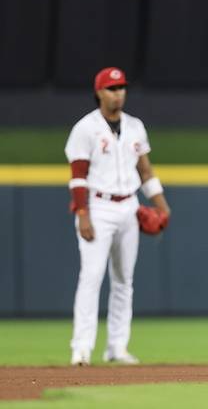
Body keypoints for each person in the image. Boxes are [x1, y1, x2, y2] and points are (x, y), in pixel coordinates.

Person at [65, 67, 171, 366]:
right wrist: (83, 214)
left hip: (129, 207)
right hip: (98, 207)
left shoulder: (135, 126)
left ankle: (117, 347)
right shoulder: (85, 128)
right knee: (92, 277)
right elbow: (78, 178)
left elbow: (146, 171)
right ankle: (82, 349)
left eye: (122, 87)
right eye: (112, 88)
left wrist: (162, 205)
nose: (118, 93)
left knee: (124, 280)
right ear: (99, 92)